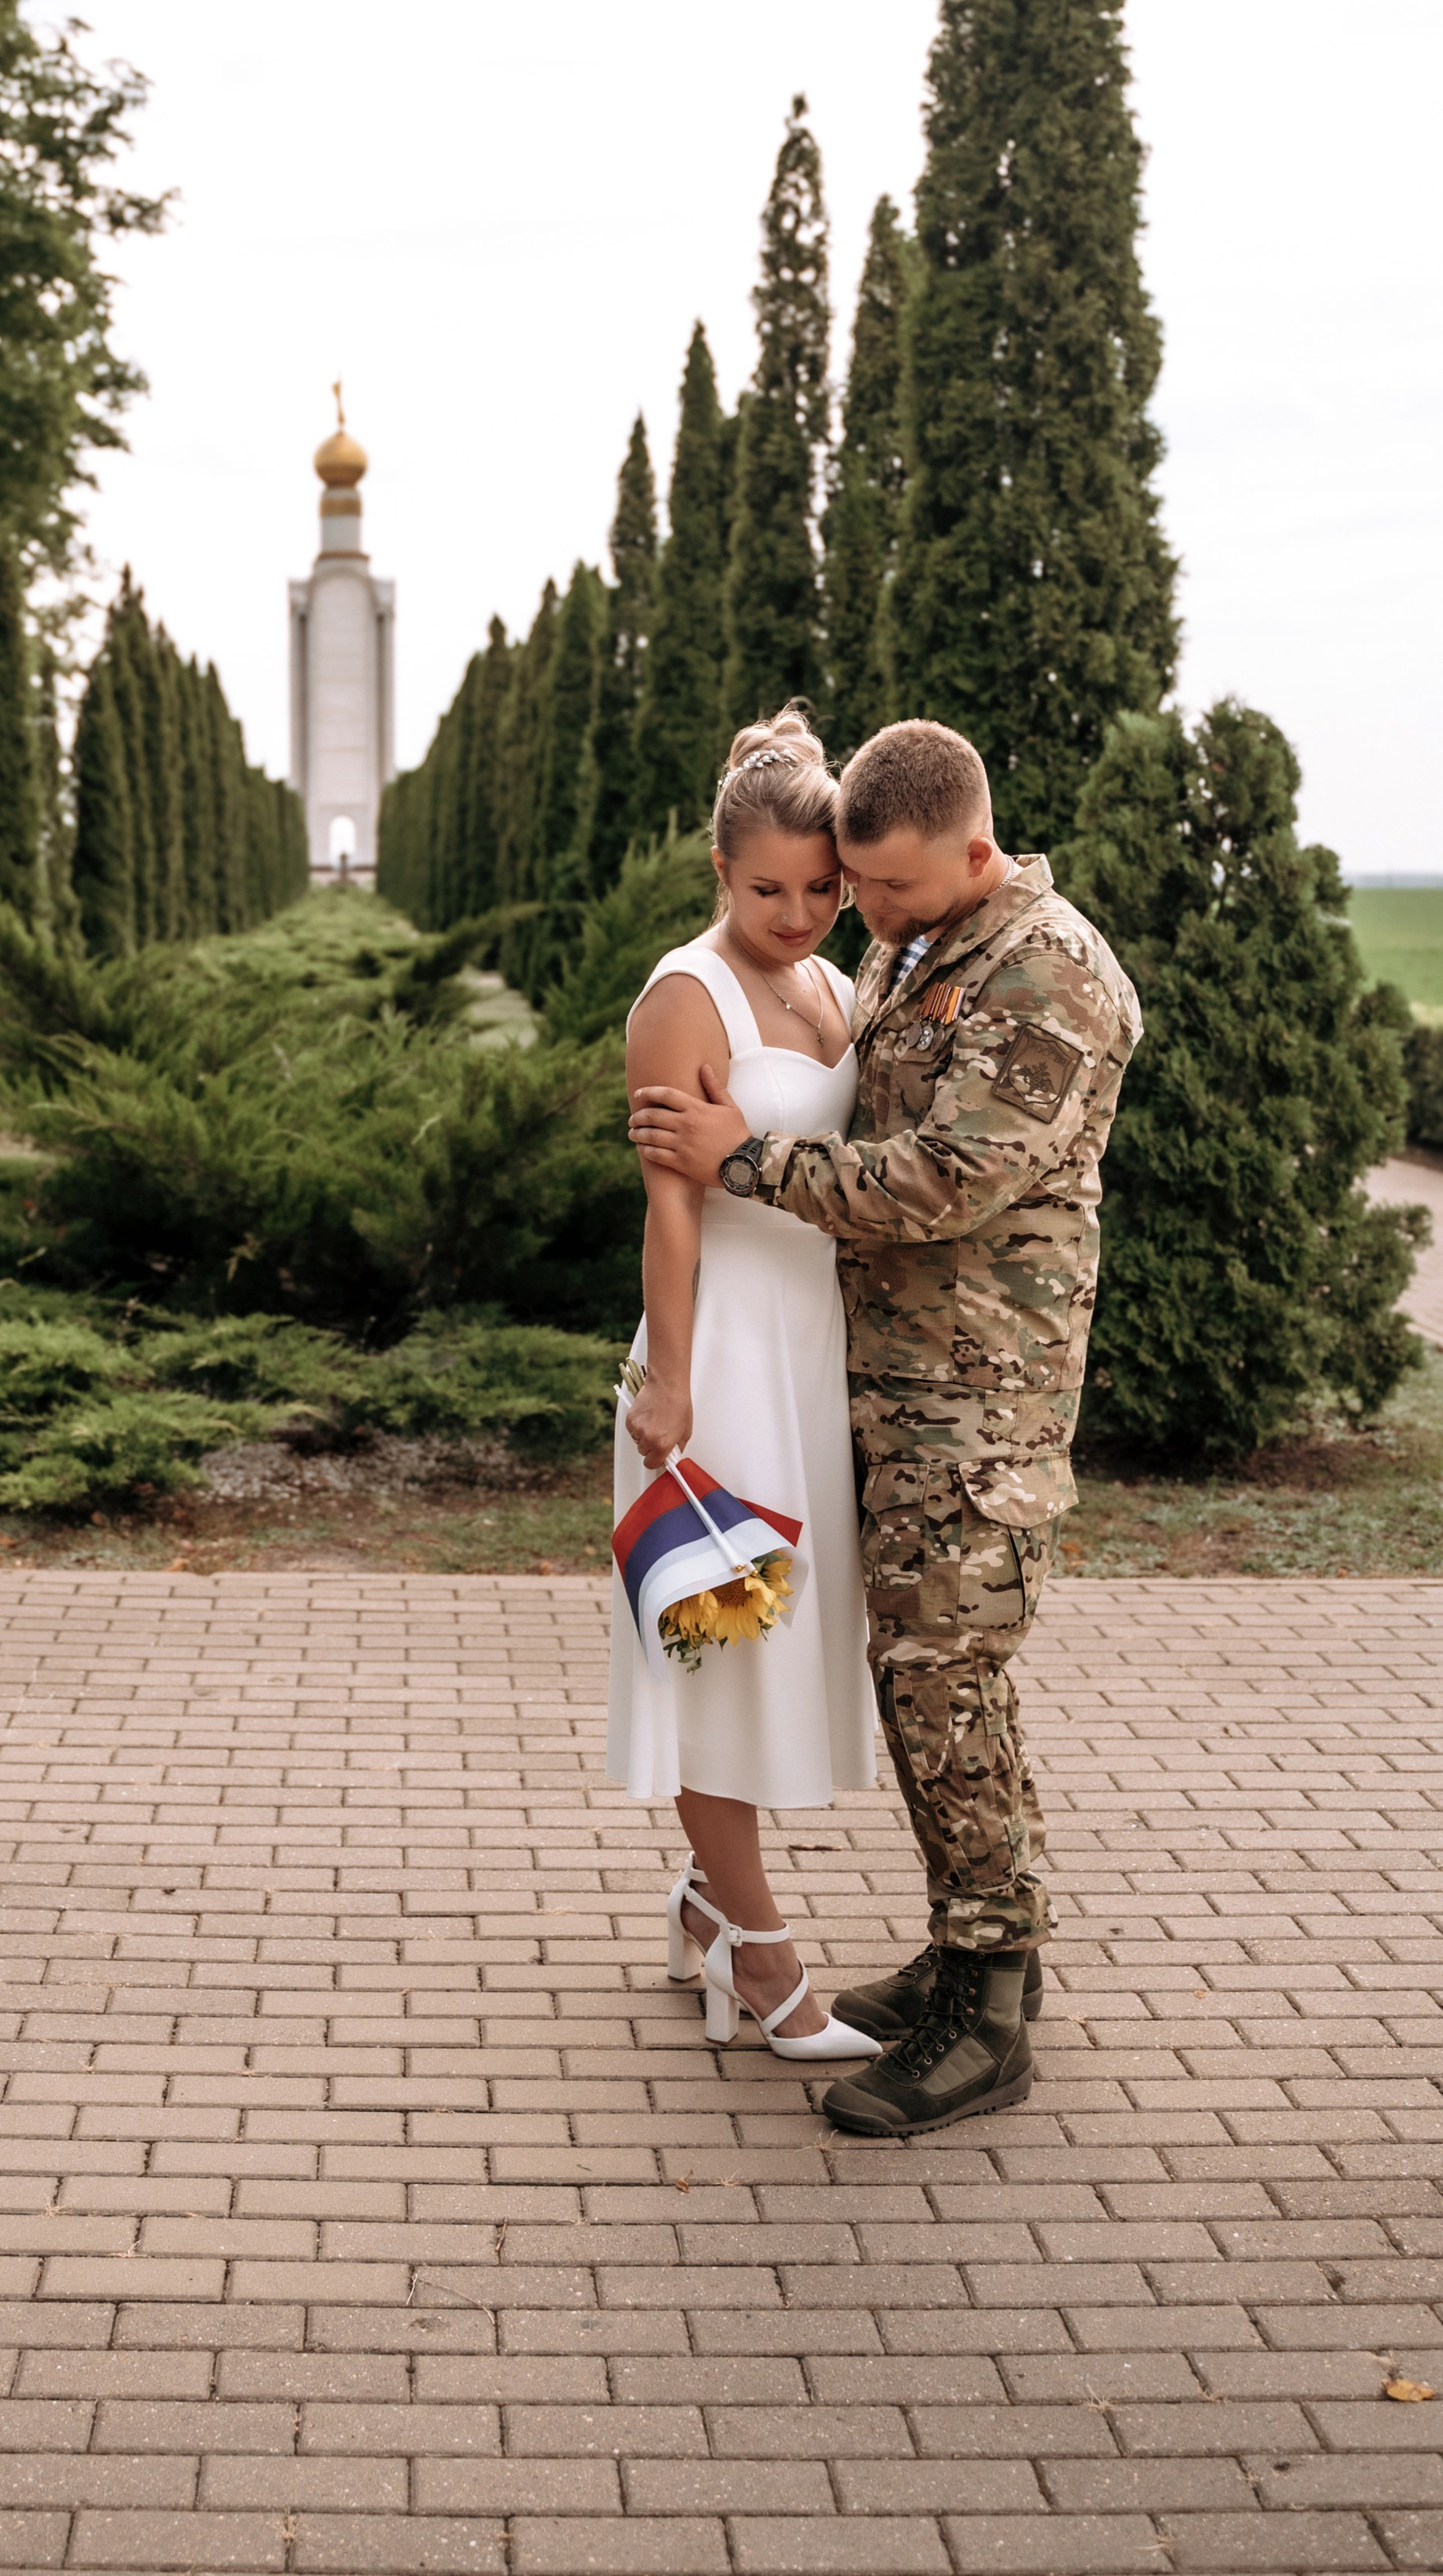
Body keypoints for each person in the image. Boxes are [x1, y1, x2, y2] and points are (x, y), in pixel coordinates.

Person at [628, 718, 1140, 2135]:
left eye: (889, 895)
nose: (865, 923)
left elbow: (960, 1174)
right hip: (875, 1380)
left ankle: (991, 2014)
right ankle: (966, 1955)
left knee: (950, 1686)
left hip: (982, 1399)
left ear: (977, 850)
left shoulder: (1049, 971)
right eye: (859, 894)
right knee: (918, 1684)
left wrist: (754, 1157)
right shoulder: (925, 942)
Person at [611, 709, 880, 2064]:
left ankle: (709, 1917)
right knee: (725, 1659)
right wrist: (668, 1385)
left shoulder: (837, 990)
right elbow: (672, 1208)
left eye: (822, 888)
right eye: (768, 888)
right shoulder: (684, 996)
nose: (798, 913)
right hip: (715, 1362)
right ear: (721, 870)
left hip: (809, 1355)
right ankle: (766, 1963)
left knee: (782, 1651)